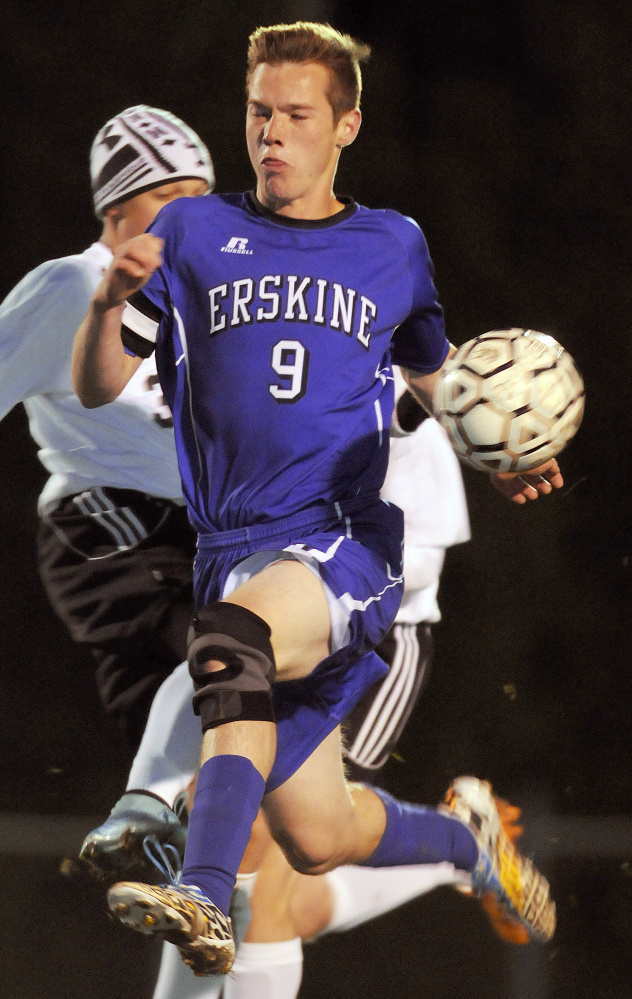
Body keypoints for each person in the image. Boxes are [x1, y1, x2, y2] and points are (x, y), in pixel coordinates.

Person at [72, 22, 560, 977]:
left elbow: (435, 378)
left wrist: (494, 452)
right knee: (318, 834)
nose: (271, 133)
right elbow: (97, 385)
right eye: (260, 112)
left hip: (338, 543)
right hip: (231, 549)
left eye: (297, 115)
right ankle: (466, 845)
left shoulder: (393, 246)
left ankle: (202, 890)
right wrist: (103, 305)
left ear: (346, 126)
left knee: (231, 643)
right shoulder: (193, 232)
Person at [0, 105, 214, 753]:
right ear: (115, 206)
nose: (189, 213)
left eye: (200, 195)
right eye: (167, 194)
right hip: (110, 524)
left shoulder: (195, 301)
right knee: (234, 653)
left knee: (192, 761)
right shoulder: (73, 282)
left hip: (192, 535)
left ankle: (156, 807)